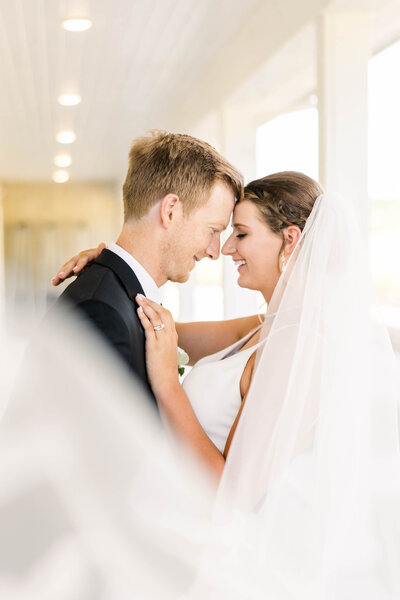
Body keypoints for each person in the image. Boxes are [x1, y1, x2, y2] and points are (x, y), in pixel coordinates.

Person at [53, 170, 400, 596]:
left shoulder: (301, 345)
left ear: (290, 240)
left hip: (206, 559)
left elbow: (229, 494)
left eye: (240, 233)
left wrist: (168, 383)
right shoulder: (267, 326)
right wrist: (113, 265)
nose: (226, 249)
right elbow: (164, 329)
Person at [52, 131, 243, 404]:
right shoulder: (101, 310)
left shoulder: (118, 295)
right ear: (170, 211)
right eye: (213, 230)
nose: (215, 251)